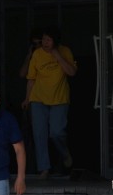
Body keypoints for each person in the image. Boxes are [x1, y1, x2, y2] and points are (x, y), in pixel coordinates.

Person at [21, 26, 77, 178]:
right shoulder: (37, 54)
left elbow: (71, 72)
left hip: (59, 98)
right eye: (44, 39)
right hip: (38, 99)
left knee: (57, 132)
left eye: (48, 40)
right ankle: (44, 168)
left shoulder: (65, 51)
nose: (44, 43)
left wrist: (57, 56)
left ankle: (65, 154)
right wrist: (27, 98)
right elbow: (31, 79)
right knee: (39, 134)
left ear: (55, 42)